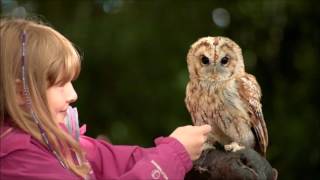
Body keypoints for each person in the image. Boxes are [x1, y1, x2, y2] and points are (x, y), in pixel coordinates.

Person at [0, 17, 212, 180]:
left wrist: (178, 147)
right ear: (20, 92)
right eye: (59, 84)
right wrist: (173, 155)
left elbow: (116, 160)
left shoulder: (56, 141)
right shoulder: (17, 161)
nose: (73, 95)